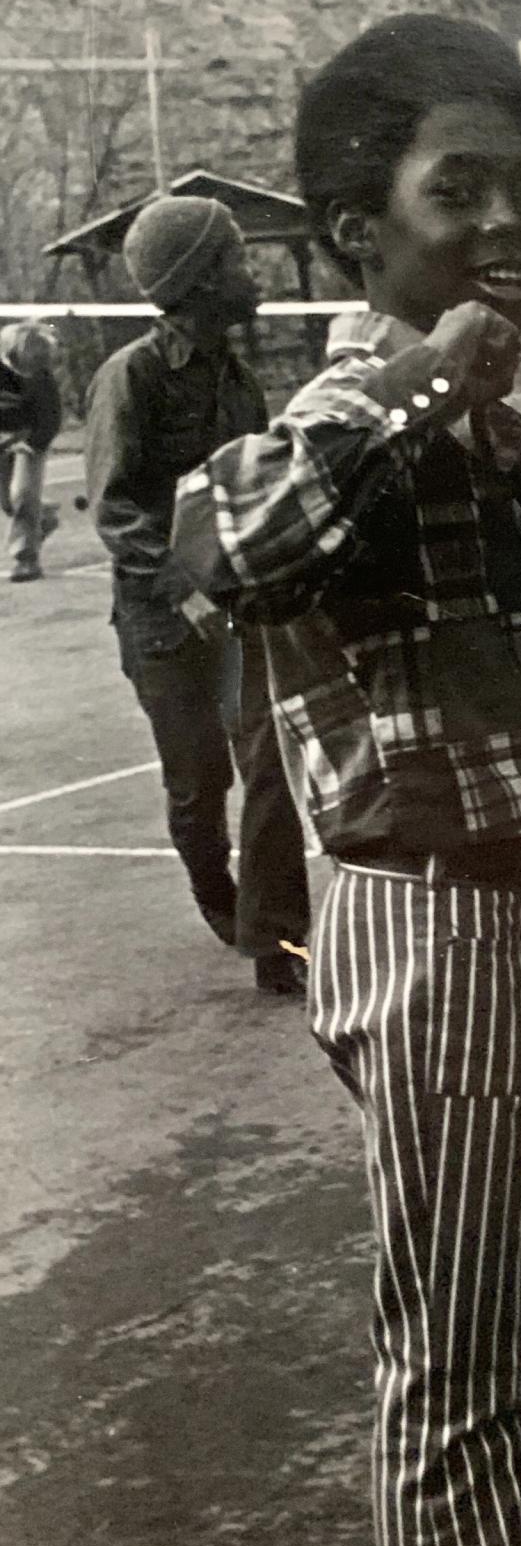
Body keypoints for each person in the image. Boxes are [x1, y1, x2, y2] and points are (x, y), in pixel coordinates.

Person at [170, 15, 521, 1546]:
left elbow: (479, 683)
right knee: (454, 1394)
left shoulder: (460, 412)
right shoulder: (374, 393)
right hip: (428, 928)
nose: (507, 222)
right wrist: (428, 376)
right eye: (459, 188)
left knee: (459, 1372)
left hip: (472, 921)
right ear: (361, 231)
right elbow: (232, 541)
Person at [83, 196, 310, 996]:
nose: (254, 272)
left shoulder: (238, 380)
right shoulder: (132, 376)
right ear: (202, 278)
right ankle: (219, 896)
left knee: (270, 760)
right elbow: (114, 506)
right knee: (199, 784)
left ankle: (275, 937)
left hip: (238, 610)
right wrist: (183, 588)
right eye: (238, 257)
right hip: (162, 619)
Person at [0, 318, 62, 582]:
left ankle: (26, 559)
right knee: (8, 502)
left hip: (30, 436)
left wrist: (33, 443)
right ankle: (43, 517)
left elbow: (50, 419)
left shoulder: (41, 379)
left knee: (23, 494)